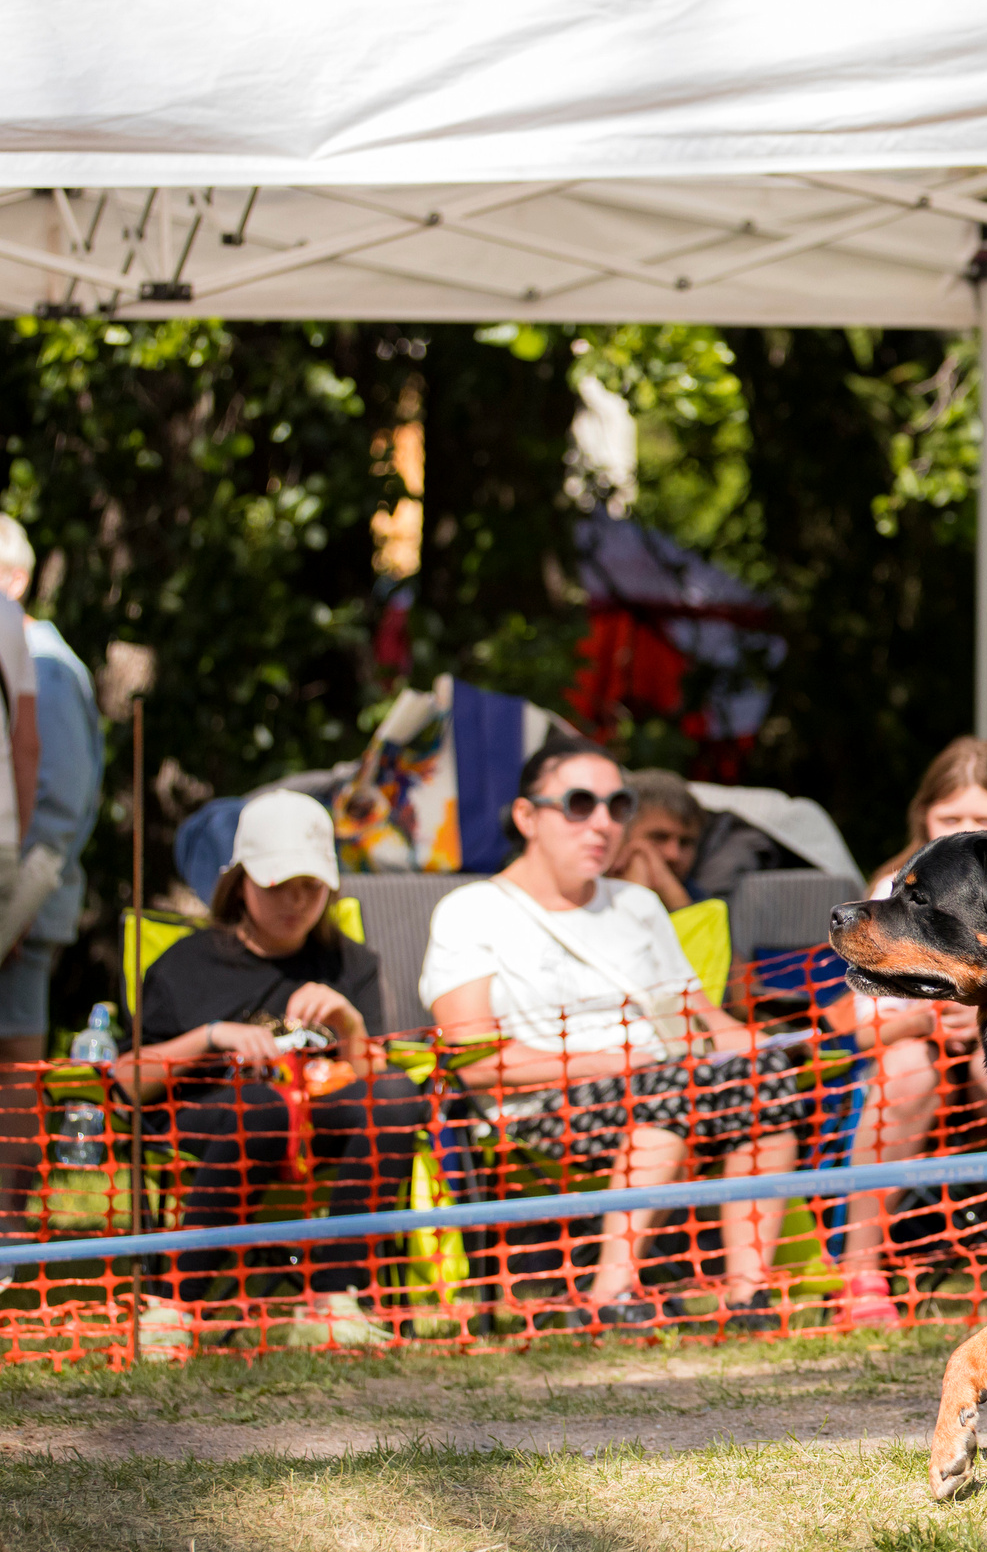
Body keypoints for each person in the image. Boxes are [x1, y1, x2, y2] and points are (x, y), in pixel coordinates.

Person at [422, 735, 808, 1332]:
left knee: (768, 1082)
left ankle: (747, 1296)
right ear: (527, 816)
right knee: (660, 1089)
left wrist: (787, 1048)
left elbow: (699, 1024)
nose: (601, 823)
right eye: (579, 804)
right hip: (533, 1105)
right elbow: (472, 1060)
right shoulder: (471, 911)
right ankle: (609, 1292)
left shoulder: (637, 905)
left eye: (617, 806)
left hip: (660, 1083)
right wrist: (602, 1062)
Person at [107, 791, 422, 1354]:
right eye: (279, 885)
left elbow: (375, 1078)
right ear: (241, 882)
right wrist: (210, 1037)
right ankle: (174, 1306)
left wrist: (349, 1026)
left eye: (312, 886)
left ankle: (331, 1300)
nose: (296, 902)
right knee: (262, 1106)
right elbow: (129, 1081)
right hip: (206, 1119)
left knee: (399, 1093)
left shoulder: (351, 963)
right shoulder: (184, 965)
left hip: (318, 1119)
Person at [817, 736, 987, 1326]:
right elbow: (862, 1026)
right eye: (951, 816)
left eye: (984, 817)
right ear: (924, 816)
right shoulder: (894, 886)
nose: (965, 828)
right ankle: (859, 1272)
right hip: (909, 1060)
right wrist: (931, 1016)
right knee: (907, 1069)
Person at [0, 515, 101, 1247]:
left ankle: (5, 1235)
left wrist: (16, 910)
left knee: (13, 1069)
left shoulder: (45, 663)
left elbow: (58, 804)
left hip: (19, 907)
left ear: (13, 579)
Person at [610, 769, 705, 913]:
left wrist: (675, 898)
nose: (673, 855)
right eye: (659, 837)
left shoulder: (700, 898)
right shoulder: (580, 890)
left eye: (686, 842)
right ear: (619, 835)